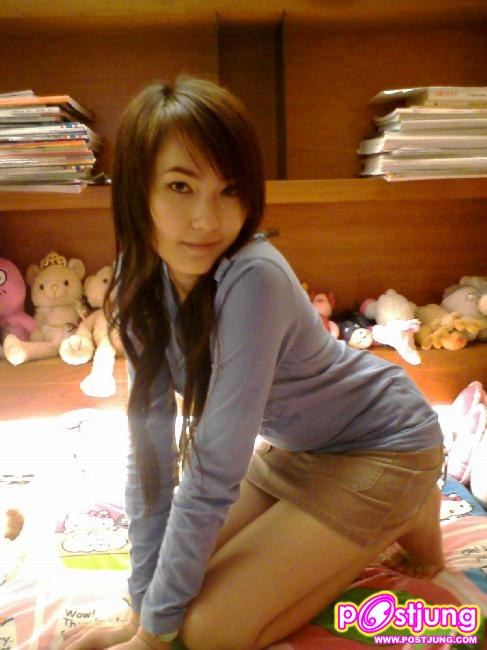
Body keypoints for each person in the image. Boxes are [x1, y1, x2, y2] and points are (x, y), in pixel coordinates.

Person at [60, 75, 444, 650]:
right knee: (170, 585)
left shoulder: (253, 279)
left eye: (229, 190)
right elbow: (150, 457)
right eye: (180, 186)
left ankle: (406, 506)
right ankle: (392, 511)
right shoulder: (138, 282)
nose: (207, 220)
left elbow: (213, 468)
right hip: (298, 450)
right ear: (139, 189)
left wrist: (155, 639)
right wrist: (143, 616)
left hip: (386, 442)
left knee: (209, 632)